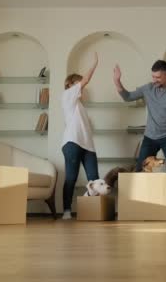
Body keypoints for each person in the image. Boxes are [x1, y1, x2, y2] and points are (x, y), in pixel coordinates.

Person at [113, 59, 166, 220]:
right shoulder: (148, 88)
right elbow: (128, 97)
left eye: (158, 77)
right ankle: (137, 206)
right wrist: (117, 81)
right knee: (139, 170)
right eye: (153, 76)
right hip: (150, 136)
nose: (154, 80)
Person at [61, 52, 100, 220]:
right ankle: (67, 211)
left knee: (94, 180)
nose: (82, 87)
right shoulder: (67, 95)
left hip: (87, 146)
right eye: (79, 83)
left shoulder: (79, 106)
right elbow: (86, 80)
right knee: (71, 177)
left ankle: (93, 211)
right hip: (72, 143)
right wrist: (95, 63)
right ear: (71, 85)